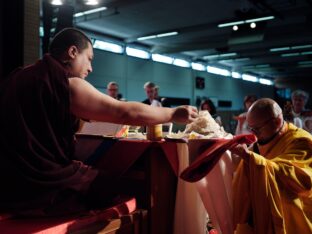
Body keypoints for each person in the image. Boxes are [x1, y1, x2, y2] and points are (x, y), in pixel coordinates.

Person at [0, 28, 198, 216]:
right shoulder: (65, 83)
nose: (91, 68)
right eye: (89, 59)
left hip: (7, 186)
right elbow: (124, 113)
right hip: (40, 186)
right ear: (72, 52)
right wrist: (173, 114)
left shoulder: (16, 77)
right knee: (120, 186)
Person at [230, 98, 312, 234]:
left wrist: (250, 158)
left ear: (277, 121)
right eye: (251, 128)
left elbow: (295, 176)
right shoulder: (264, 138)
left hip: (292, 215)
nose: (253, 134)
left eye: (257, 129)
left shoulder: (302, 141)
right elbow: (243, 162)